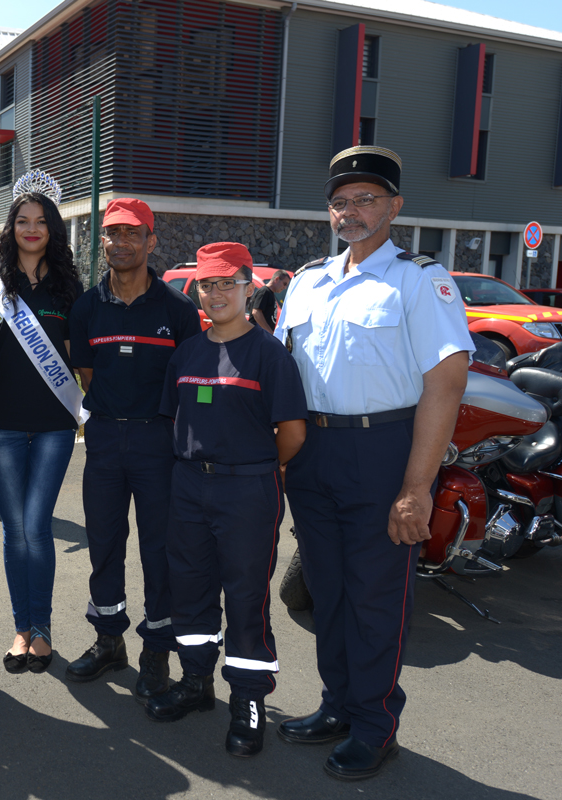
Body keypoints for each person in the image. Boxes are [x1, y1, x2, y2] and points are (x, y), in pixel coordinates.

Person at [275, 146, 471, 780]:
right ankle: (338, 704)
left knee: (376, 596)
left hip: (384, 451)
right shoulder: (307, 282)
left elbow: (446, 382)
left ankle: (375, 723)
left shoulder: (418, 280)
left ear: (395, 207)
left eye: (366, 199)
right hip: (314, 451)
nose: (351, 211)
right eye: (340, 201)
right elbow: (281, 375)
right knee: (326, 591)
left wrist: (417, 487)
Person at [150, 242, 307, 757]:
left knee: (245, 596)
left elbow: (293, 433)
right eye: (207, 284)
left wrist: (258, 467)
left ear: (248, 288)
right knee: (189, 588)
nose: (216, 293)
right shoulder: (188, 352)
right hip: (190, 485)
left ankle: (249, 699)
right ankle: (196, 683)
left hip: (248, 488)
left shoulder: (269, 354)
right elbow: (175, 418)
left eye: (226, 283)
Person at [66, 197, 201, 704]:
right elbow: (89, 375)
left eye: (132, 233)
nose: (121, 242)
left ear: (151, 241)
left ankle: (156, 652)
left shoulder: (178, 310)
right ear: (102, 242)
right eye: (112, 233)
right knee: (103, 544)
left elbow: (187, 384)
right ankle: (109, 640)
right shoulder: (87, 307)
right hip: (103, 439)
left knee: (159, 550)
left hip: (158, 442)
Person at [0, 181, 84, 675]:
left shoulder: (69, 286)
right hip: (1, 425)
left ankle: (42, 627)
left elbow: (82, 358)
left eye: (41, 221)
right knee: (13, 530)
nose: (32, 229)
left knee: (36, 528)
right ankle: (23, 627)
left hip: (54, 426)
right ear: (11, 229)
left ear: (53, 228)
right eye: (23, 221)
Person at [249, 270, 291, 334]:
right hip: (256, 334)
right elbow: (256, 312)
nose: (285, 287)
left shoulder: (271, 294)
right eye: (284, 284)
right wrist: (269, 332)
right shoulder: (264, 291)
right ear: (276, 279)